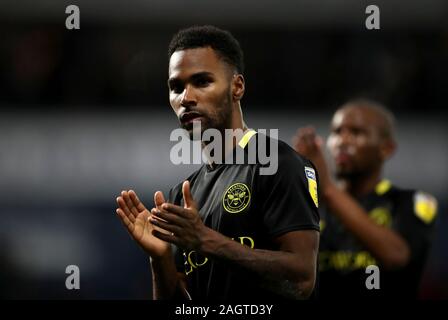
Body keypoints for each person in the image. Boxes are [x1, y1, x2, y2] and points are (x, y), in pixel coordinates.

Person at [115, 25, 320, 301]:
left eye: (202, 82)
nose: (186, 98)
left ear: (237, 87)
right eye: (176, 87)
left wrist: (205, 241)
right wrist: (160, 259)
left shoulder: (279, 164)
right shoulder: (181, 194)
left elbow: (302, 280)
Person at [293, 99, 438, 298]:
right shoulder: (311, 206)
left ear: (386, 149)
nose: (342, 141)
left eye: (356, 132)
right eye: (337, 132)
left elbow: (395, 256)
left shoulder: (410, 202)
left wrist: (326, 188)